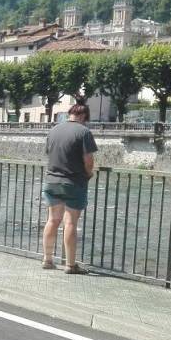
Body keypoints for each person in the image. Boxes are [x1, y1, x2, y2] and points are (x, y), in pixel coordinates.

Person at [42, 102, 98, 274]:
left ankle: (48, 259)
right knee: (70, 222)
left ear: (69, 114)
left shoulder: (53, 130)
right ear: (84, 117)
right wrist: (88, 174)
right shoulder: (84, 132)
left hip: (52, 181)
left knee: (52, 220)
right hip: (73, 182)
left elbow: (49, 153)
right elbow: (88, 160)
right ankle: (70, 265)